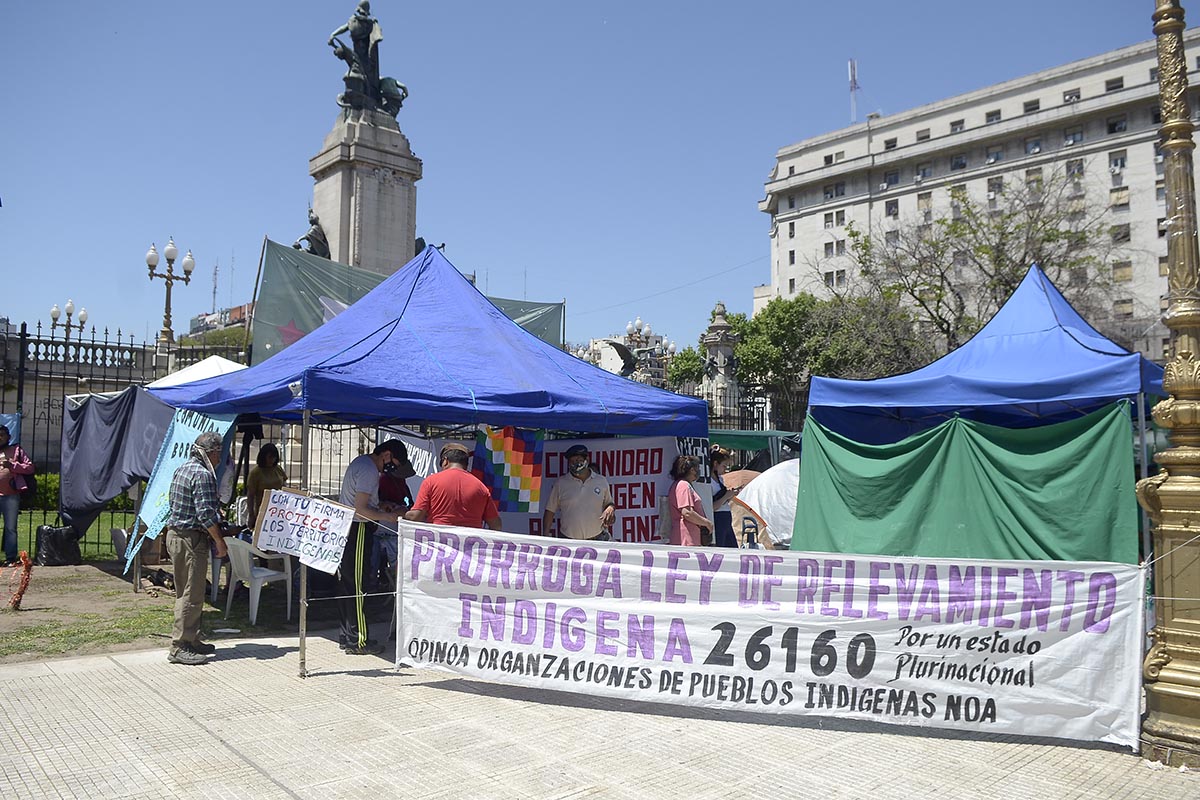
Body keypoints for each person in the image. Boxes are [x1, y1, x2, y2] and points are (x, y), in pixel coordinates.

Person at [164, 431, 228, 665]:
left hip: (178, 536)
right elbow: (205, 515)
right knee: (190, 594)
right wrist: (220, 541)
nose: (220, 459)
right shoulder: (202, 475)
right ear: (211, 453)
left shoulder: (183, 469)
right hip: (190, 539)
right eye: (219, 453)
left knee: (189, 591)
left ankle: (191, 638)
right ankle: (180, 645)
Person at [337, 440, 406, 655]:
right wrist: (388, 516)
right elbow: (360, 510)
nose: (391, 469)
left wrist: (380, 506)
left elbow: (363, 503)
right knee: (357, 586)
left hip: (348, 528)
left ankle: (347, 635)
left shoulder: (361, 463)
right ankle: (359, 640)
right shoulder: (368, 470)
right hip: (357, 530)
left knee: (348, 584)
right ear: (385, 455)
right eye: (393, 463)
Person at [405, 443, 502, 529]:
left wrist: (398, 515)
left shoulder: (431, 481)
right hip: (470, 547)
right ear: (466, 464)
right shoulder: (481, 487)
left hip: (438, 545)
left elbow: (415, 517)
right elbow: (496, 525)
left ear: (445, 461)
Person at [542, 444, 615, 541]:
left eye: (578, 460)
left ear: (587, 460)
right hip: (569, 541)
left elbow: (609, 503)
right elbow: (550, 511)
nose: (575, 464)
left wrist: (611, 508)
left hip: (597, 539)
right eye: (572, 461)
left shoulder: (601, 481)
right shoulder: (561, 483)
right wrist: (545, 536)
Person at [371, 440, 415, 589]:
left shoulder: (401, 483)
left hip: (395, 526)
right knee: (375, 562)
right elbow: (376, 502)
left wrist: (406, 509)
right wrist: (388, 507)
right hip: (382, 525)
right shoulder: (383, 480)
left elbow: (409, 501)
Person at [0, 425, 35, 566]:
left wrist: (12, 465)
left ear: (8, 437)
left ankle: (10, 558)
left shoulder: (16, 451)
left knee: (10, 528)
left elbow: (30, 467)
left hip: (11, 495)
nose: (0, 437)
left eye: (2, 434)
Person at [668, 455, 713, 548]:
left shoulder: (682, 485)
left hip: (690, 537)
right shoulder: (683, 486)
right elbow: (687, 513)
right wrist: (707, 523)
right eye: (697, 468)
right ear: (692, 470)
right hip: (686, 538)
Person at [245, 443, 287, 535]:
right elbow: (250, 495)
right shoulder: (255, 473)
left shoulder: (278, 469)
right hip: (263, 511)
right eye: (270, 457)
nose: (272, 460)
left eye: (274, 458)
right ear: (263, 457)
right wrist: (251, 515)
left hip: (279, 510)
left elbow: (284, 486)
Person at [709, 445, 739, 548]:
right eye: (724, 466)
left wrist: (730, 496)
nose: (725, 469)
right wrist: (726, 496)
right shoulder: (708, 482)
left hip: (726, 517)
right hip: (718, 518)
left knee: (732, 548)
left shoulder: (720, 479)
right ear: (715, 463)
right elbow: (712, 507)